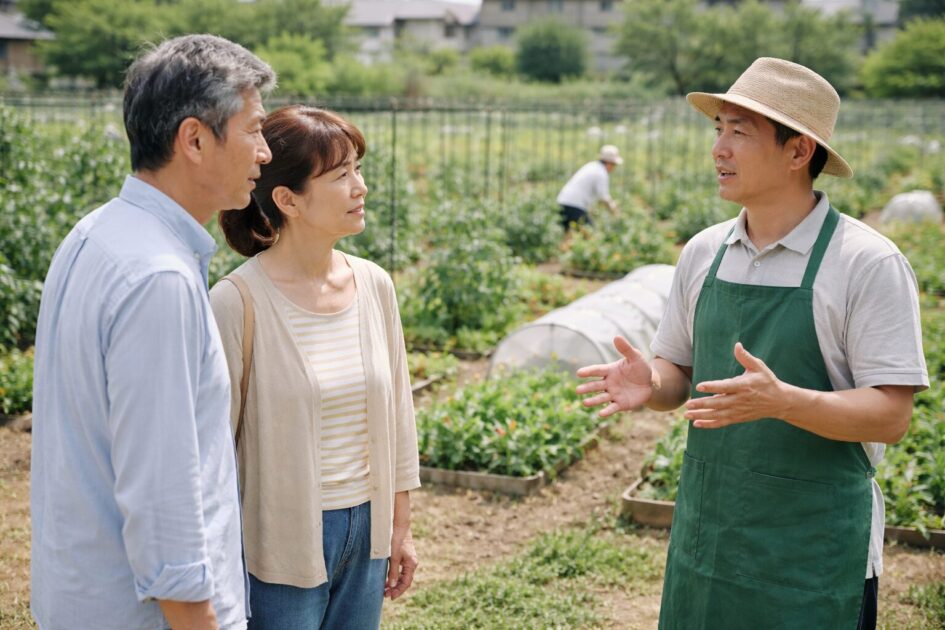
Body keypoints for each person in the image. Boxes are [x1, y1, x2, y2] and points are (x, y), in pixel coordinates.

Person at [576, 57, 928, 630]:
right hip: (708, 539)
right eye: (718, 130)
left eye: (740, 132)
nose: (719, 149)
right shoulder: (704, 252)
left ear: (799, 151)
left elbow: (890, 416)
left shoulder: (866, 263)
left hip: (814, 552)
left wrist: (785, 401)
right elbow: (679, 372)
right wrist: (656, 382)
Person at [30, 35, 275, 630]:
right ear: (194, 139)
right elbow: (162, 494)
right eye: (254, 130)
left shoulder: (97, 234)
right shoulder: (157, 280)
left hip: (85, 595)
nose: (266, 153)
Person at [210, 105, 421, 630]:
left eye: (358, 169)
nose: (361, 187)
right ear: (288, 200)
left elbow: (398, 414)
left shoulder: (374, 285)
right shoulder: (236, 302)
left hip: (368, 532)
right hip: (279, 540)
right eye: (341, 175)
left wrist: (400, 528)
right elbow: (210, 448)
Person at [556, 144, 622, 230]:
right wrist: (615, 211)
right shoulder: (601, 173)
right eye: (614, 165)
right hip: (574, 206)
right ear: (609, 163)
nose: (614, 168)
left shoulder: (592, 166)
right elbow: (603, 197)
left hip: (563, 202)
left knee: (569, 236)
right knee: (590, 234)